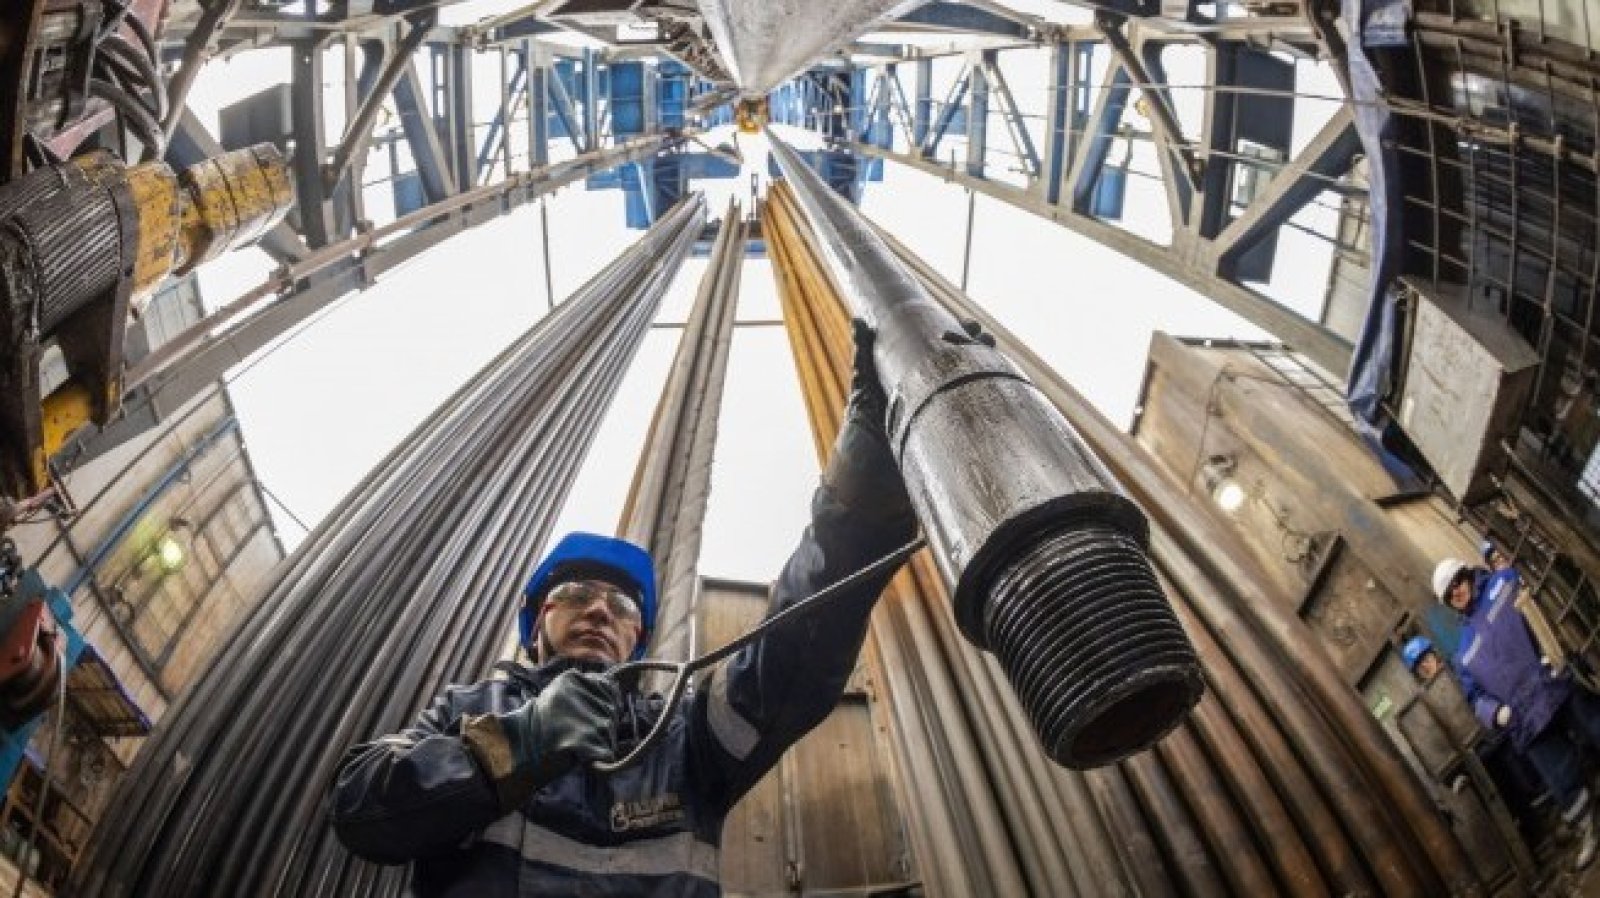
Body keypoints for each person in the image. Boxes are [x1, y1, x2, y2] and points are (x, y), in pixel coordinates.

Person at [329, 322, 918, 896]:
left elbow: (789, 657)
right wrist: (519, 742)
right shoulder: (471, 710)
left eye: (618, 605)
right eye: (576, 595)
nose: (598, 612)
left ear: (637, 638)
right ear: (536, 626)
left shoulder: (682, 740)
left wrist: (860, 505)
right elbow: (361, 807)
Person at [1434, 555, 1600, 868]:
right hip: (1525, 718)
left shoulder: (1505, 582)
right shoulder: (1463, 653)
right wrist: (1496, 713)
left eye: (1457, 582)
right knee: (1562, 779)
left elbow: (1540, 604)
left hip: (1554, 683)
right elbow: (1474, 697)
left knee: (1595, 726)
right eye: (1448, 593)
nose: (1456, 592)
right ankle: (1588, 826)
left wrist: (1553, 646)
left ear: (1467, 574)